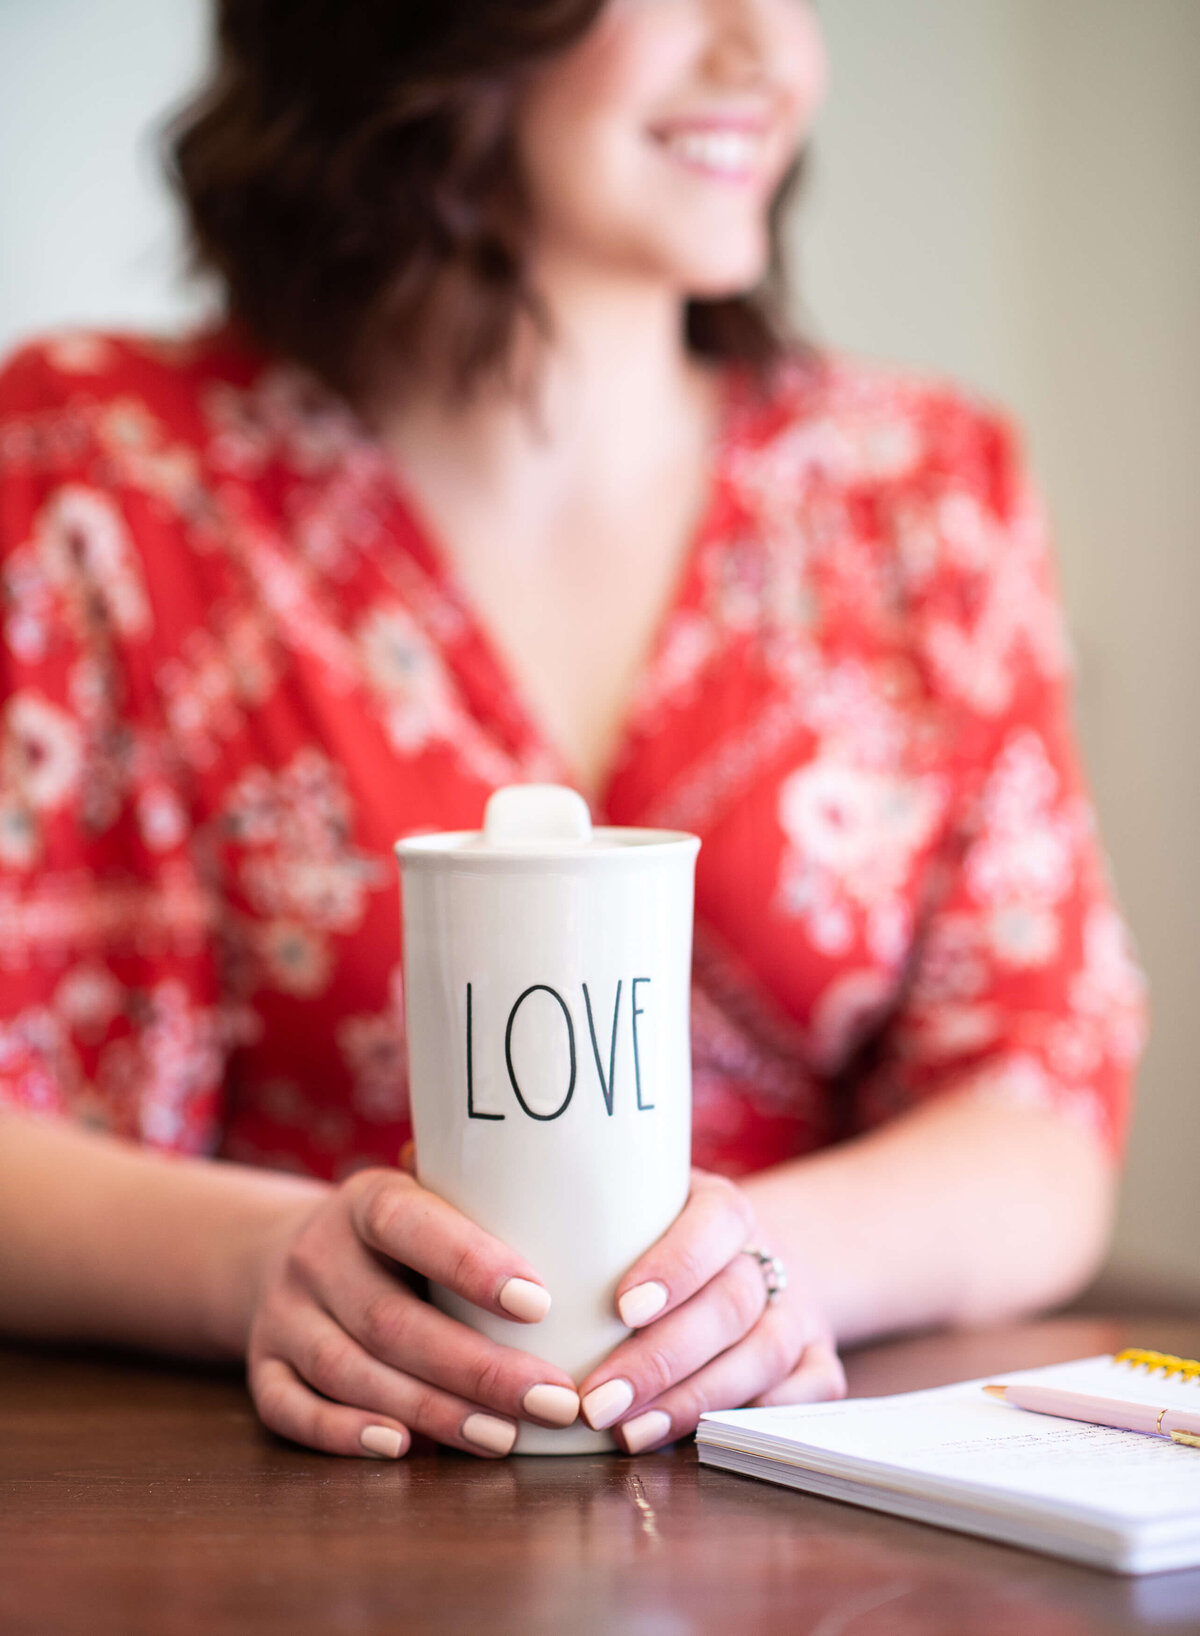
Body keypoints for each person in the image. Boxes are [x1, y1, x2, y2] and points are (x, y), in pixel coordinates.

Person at [0, 0, 1145, 1464]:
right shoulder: (105, 466)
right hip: (289, 1504)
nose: (768, 53)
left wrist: (748, 1286)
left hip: (807, 1510)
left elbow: (1037, 1104)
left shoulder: (917, 492)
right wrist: (262, 1268)